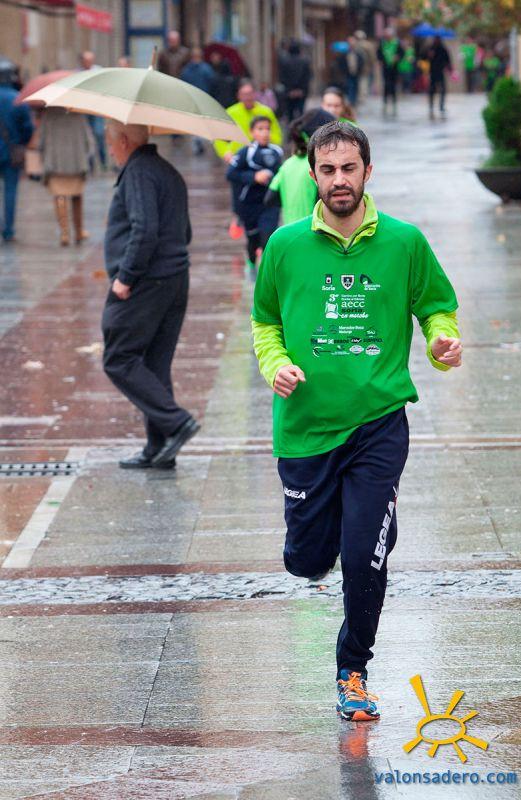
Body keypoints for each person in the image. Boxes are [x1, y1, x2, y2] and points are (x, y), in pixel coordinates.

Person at [251, 121, 462, 721]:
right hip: (305, 428)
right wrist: (276, 365)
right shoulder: (285, 246)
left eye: (349, 168)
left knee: (365, 551)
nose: (339, 179)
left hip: (378, 423)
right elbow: (265, 322)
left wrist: (442, 341)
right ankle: (331, 539)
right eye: (328, 170)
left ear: (368, 171)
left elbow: (437, 306)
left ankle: (353, 671)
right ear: (313, 174)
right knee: (309, 559)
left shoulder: (404, 242)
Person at [102, 121, 200, 469]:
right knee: (155, 363)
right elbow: (185, 232)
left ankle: (176, 422)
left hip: (148, 280)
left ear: (123, 141)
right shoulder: (166, 170)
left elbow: (144, 229)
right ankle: (159, 448)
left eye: (110, 143)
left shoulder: (138, 172)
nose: (109, 150)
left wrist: (125, 277)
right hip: (175, 278)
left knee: (118, 357)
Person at [226, 116, 282, 270]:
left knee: (268, 238)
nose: (265, 133)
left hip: (270, 204)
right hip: (250, 205)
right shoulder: (246, 152)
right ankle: (251, 262)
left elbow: (282, 174)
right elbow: (230, 174)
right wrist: (254, 177)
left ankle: (267, 273)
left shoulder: (277, 152)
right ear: (252, 132)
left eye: (267, 129)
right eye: (260, 129)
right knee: (253, 240)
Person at [265, 108, 334, 225]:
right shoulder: (320, 166)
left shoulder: (287, 164)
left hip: (290, 230)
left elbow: (269, 199)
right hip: (313, 231)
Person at [40, 107, 93, 246]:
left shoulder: (49, 114)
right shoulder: (78, 114)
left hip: (55, 163)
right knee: (77, 195)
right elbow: (89, 141)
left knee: (59, 195)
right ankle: (78, 231)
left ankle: (64, 233)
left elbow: (42, 141)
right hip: (76, 162)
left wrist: (43, 157)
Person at [0, 58, 33, 242]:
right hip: (12, 151)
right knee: (10, 190)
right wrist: (22, 142)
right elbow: (27, 127)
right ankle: (8, 229)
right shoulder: (18, 99)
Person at [180, 47, 215, 154]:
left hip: (192, 99)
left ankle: (197, 141)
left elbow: (183, 84)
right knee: (203, 121)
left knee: (195, 122)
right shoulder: (207, 69)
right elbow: (212, 83)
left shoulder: (187, 70)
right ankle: (201, 140)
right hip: (204, 99)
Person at [80, 51, 107, 170]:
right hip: (85, 109)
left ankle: (103, 161)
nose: (88, 63)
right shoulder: (79, 73)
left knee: (99, 134)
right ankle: (90, 163)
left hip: (96, 108)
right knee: (87, 136)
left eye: (90, 60)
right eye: (86, 61)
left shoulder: (98, 71)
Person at [278, 40, 312, 121]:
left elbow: (282, 77)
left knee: (290, 113)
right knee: (301, 113)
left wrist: (290, 90)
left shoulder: (284, 62)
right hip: (301, 91)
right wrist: (301, 89)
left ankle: (291, 127)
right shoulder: (305, 61)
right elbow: (308, 76)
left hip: (289, 92)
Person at [377, 28, 404, 114]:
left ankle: (394, 103)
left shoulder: (397, 43)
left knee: (393, 86)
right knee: (386, 85)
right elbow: (378, 54)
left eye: (389, 35)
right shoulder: (382, 43)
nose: (387, 37)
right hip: (386, 67)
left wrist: (398, 57)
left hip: (394, 68)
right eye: (386, 35)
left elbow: (402, 53)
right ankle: (385, 103)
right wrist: (380, 60)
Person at [336, 35, 365, 108]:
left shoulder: (358, 53)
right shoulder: (344, 53)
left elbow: (362, 62)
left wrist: (360, 69)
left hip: (356, 73)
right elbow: (340, 63)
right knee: (349, 87)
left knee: (355, 87)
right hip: (347, 73)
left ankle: (353, 101)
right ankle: (351, 101)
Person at [427, 36, 452, 118]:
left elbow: (447, 59)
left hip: (440, 71)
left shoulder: (443, 49)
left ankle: (441, 106)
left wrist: (450, 68)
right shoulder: (430, 48)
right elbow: (423, 57)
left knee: (442, 90)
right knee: (432, 90)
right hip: (432, 72)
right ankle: (431, 106)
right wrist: (429, 55)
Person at [355, 31, 376, 101]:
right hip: (365, 66)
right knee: (363, 81)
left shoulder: (355, 44)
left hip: (358, 67)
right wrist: (372, 64)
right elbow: (372, 57)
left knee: (361, 81)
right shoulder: (368, 45)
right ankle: (362, 96)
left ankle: (360, 96)